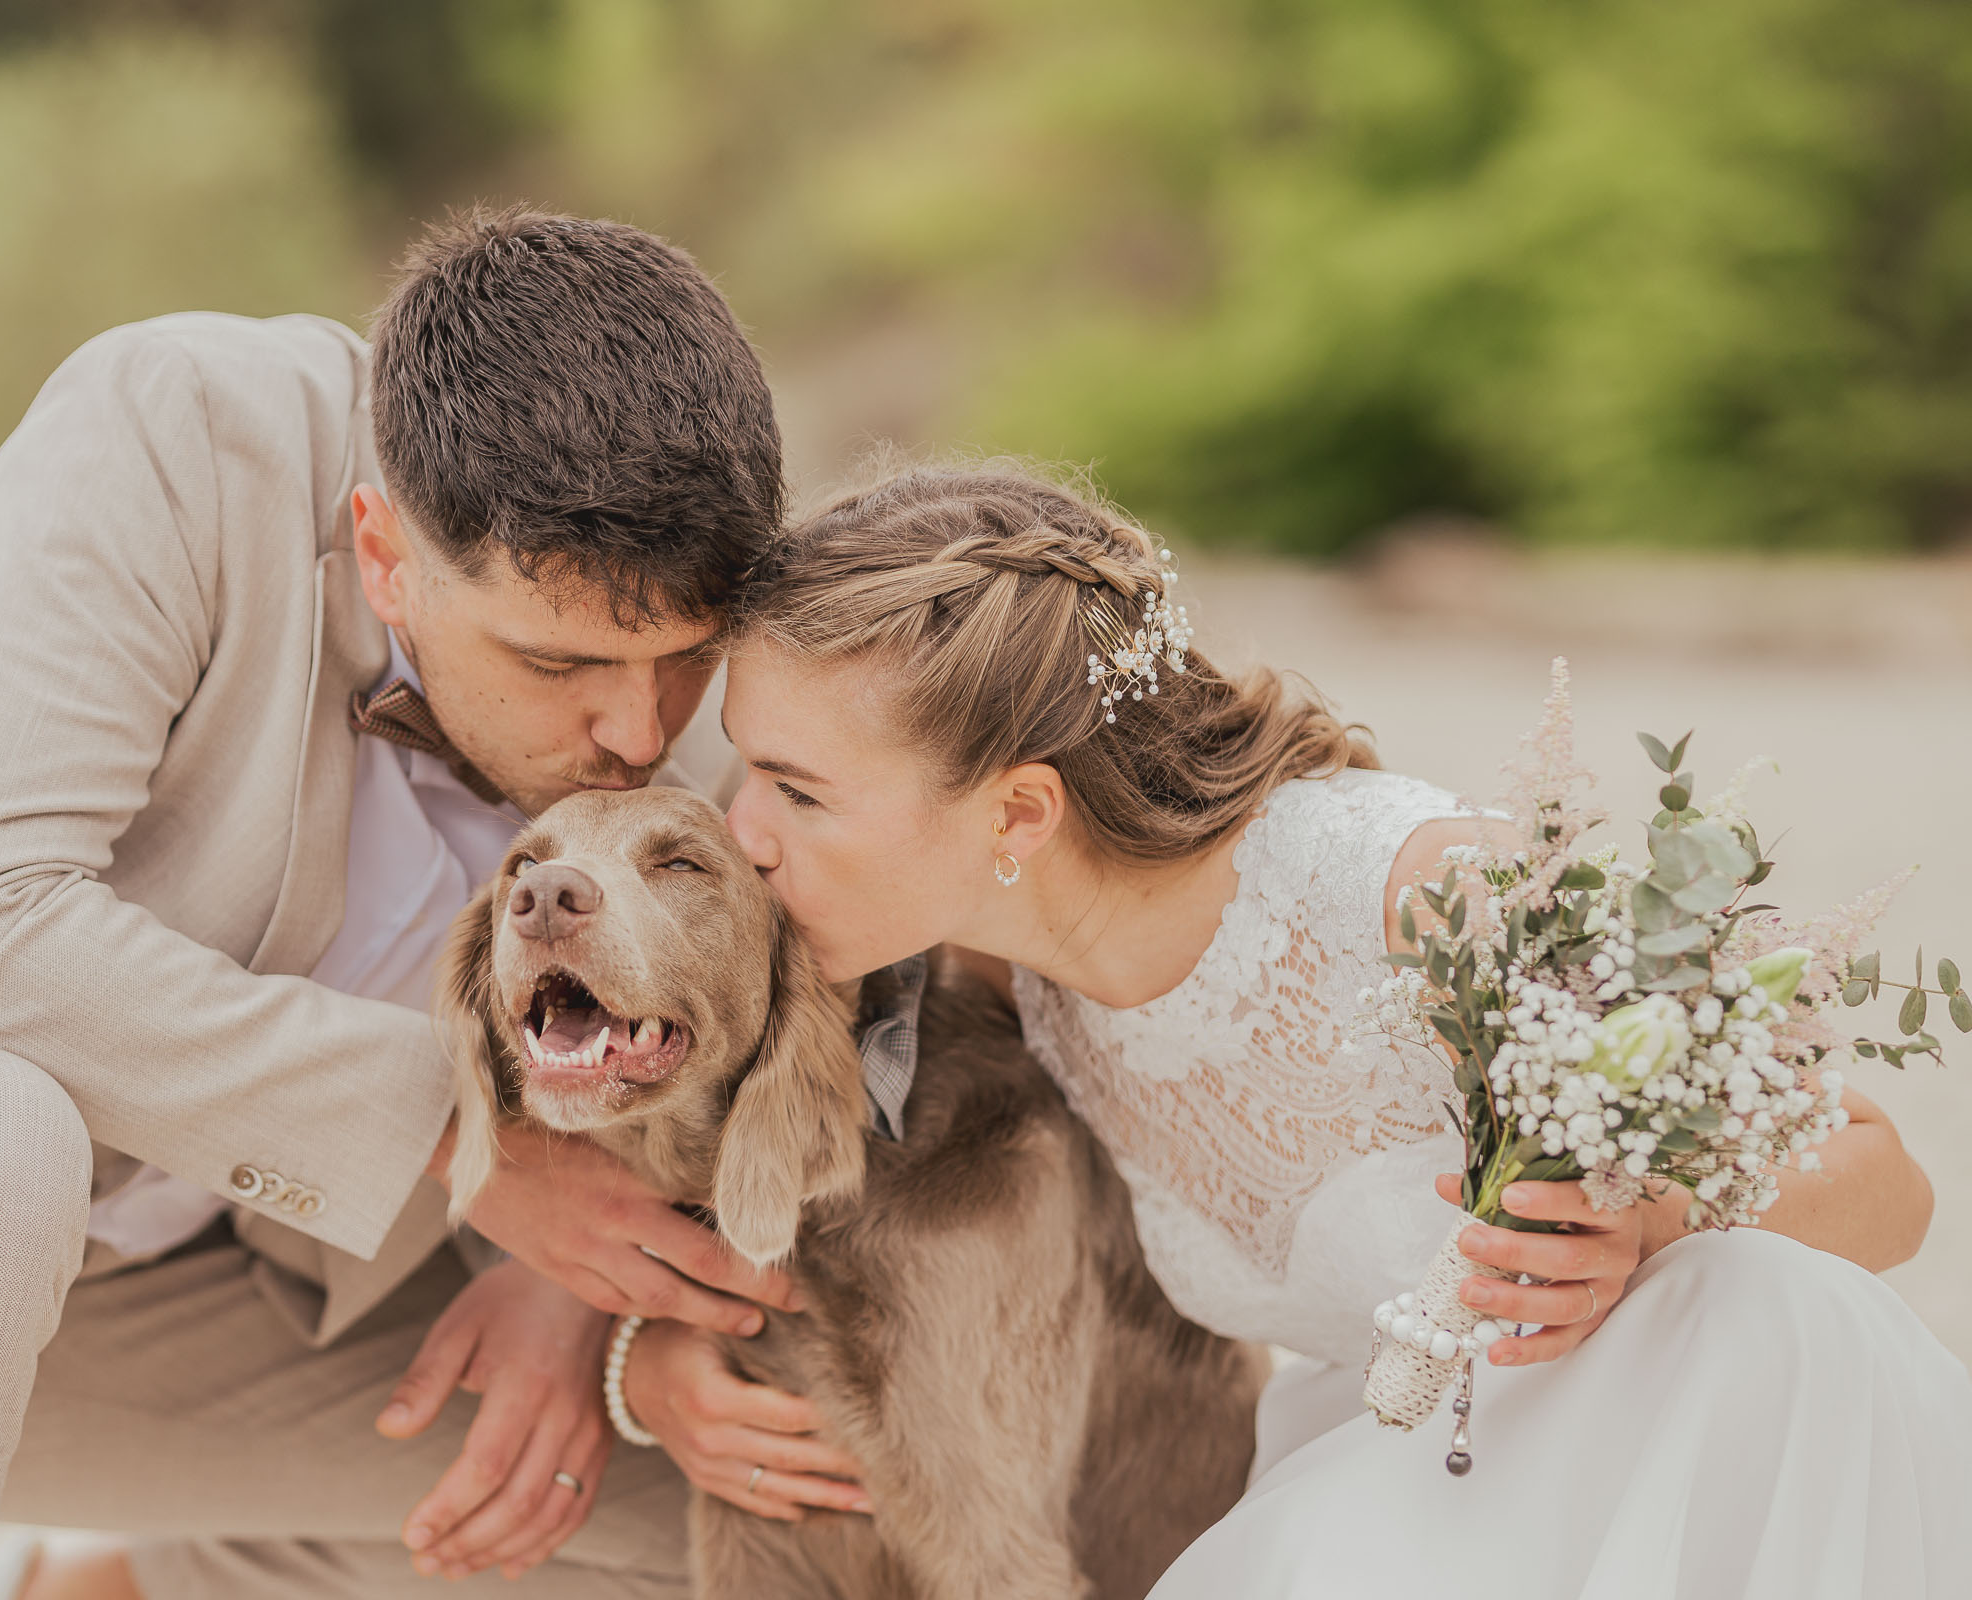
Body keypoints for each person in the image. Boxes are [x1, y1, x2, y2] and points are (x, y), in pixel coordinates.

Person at [0, 207, 799, 1600]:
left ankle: (124, 1585)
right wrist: (459, 1132)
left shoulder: (699, 665)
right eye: (558, 664)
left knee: (739, 1524)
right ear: (383, 549)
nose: (642, 731)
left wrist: (573, 1302)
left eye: (687, 661)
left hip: (202, 1315)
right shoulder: (177, 430)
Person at [617, 461, 1972, 1595]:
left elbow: (1889, 1190)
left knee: (1749, 1297)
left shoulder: (1414, 894)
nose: (739, 831)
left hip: (1667, 1473)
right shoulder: (993, 971)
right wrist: (650, 1353)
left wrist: (1649, 1224)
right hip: (1391, 1489)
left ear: (1020, 816)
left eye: (796, 790)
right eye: (745, 765)